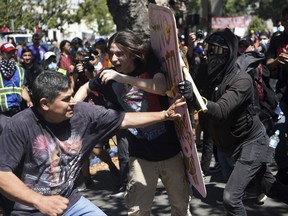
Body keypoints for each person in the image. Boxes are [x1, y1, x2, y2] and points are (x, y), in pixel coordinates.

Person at [0, 70, 185, 216]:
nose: (73, 102)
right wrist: (39, 201)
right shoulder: (19, 126)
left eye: (72, 95)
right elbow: (2, 175)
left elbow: (124, 119)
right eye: (66, 99)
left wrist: (164, 115)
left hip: (68, 201)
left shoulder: (83, 113)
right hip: (26, 209)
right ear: (45, 103)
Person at [74, 30, 191, 215]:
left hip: (171, 152)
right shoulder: (107, 76)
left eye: (120, 53)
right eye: (111, 53)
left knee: (180, 207)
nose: (114, 58)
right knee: (137, 210)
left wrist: (122, 78)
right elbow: (85, 87)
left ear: (133, 53)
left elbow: (161, 88)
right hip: (140, 156)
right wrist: (73, 106)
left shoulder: (148, 64)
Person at [178, 28, 288, 215]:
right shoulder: (207, 72)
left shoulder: (242, 80)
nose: (212, 55)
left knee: (231, 198)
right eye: (209, 49)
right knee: (270, 187)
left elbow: (220, 110)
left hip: (251, 143)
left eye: (218, 50)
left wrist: (195, 98)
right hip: (231, 145)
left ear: (230, 53)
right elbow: (187, 76)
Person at [266, 6, 288, 184]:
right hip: (281, 96)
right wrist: (277, 60)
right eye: (286, 20)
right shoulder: (277, 40)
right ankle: (282, 168)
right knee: (278, 132)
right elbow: (268, 64)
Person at [0, 42, 32, 134]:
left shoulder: (20, 70)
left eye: (13, 52)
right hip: (2, 114)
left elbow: (22, 88)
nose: (12, 54)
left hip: (17, 112)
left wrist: (29, 101)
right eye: (8, 52)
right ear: (1, 54)